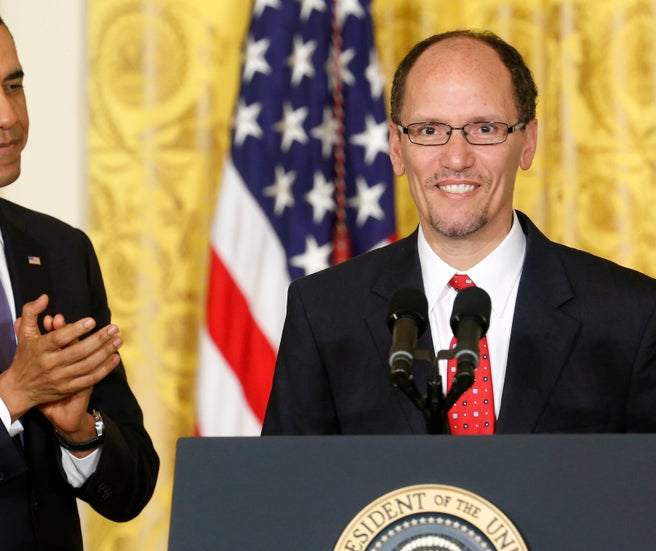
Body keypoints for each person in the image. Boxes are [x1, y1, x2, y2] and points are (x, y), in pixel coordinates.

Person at [261, 29, 656, 435]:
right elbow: (285, 490)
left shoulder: (633, 316)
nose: (456, 158)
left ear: (528, 142)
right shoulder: (324, 313)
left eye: (484, 128)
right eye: (429, 130)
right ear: (397, 147)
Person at [0, 1, 159, 549]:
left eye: (13, 86)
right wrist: (12, 395)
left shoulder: (60, 250)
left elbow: (133, 486)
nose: (7, 115)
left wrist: (80, 434)